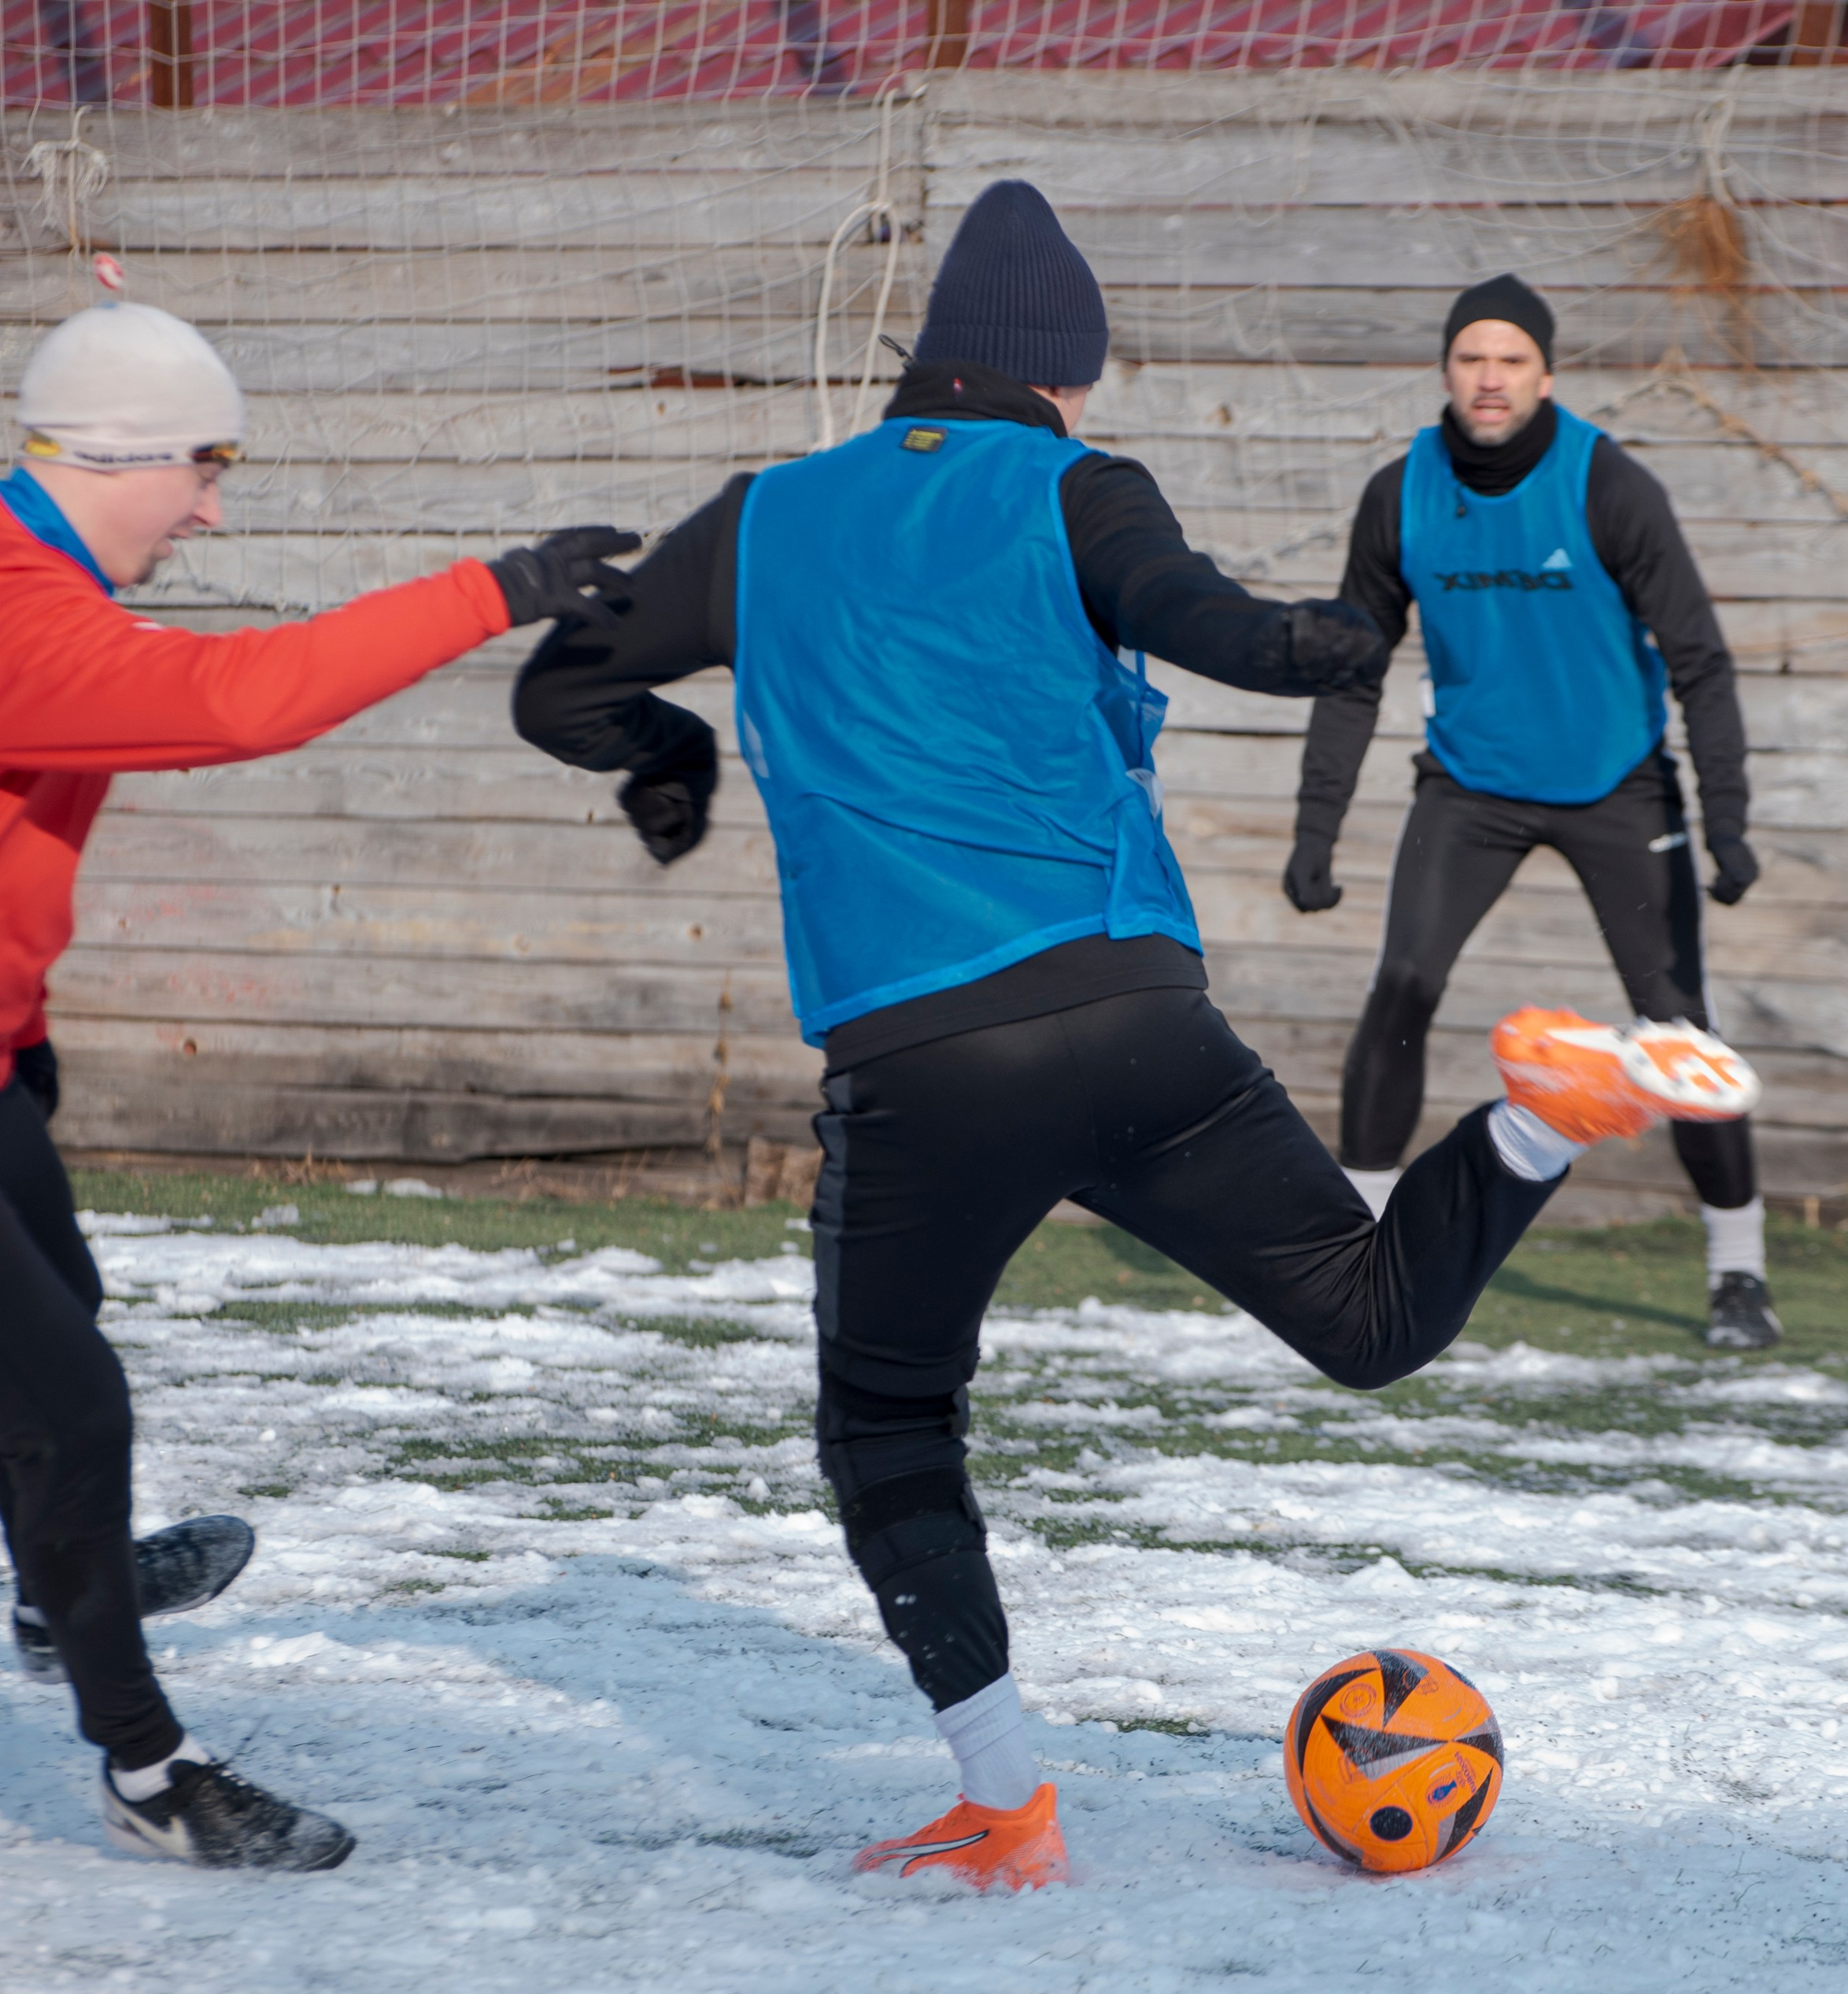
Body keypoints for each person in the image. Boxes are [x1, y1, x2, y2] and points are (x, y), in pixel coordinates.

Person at [513, 185, 1757, 1891]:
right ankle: (1538, 1121)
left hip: (923, 1055)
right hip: (1133, 1014)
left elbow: (554, 689)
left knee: (889, 1425)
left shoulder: (765, 516)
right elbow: (1206, 617)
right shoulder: (1076, 483)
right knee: (1369, 1319)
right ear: (1059, 377)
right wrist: (1321, 643)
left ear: (921, 365)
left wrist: (667, 753)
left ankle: (1006, 1803)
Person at [1, 296, 638, 1870]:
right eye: (203, 467)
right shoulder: (18, 608)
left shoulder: (42, 575)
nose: (214, 504)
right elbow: (242, 704)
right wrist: (495, 587)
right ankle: (147, 1770)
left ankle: (48, 1580)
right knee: (70, 1403)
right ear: (115, 457)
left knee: (52, 1331)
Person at [1282, 274, 1779, 1352]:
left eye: (1511, 359)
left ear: (1545, 374)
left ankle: (1739, 1273)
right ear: (1447, 373)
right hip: (1470, 786)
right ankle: (1354, 1245)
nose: (1490, 377)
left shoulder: (1609, 485)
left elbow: (1700, 659)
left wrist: (1728, 821)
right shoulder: (1400, 493)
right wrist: (1314, 831)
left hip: (1615, 783)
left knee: (1675, 1027)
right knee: (1401, 987)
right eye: (1471, 358)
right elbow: (1351, 671)